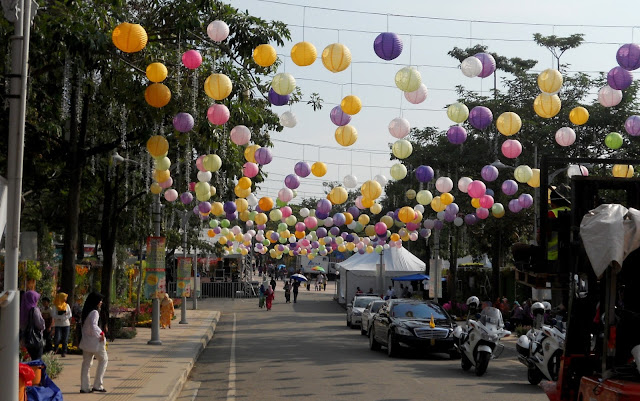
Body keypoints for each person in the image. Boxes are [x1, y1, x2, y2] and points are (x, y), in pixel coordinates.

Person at [79, 292, 108, 393]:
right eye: (100, 300)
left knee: (86, 364)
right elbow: (93, 325)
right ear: (95, 301)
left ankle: (84, 387)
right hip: (95, 341)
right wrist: (101, 334)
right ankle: (98, 385)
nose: (101, 302)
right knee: (104, 359)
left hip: (86, 341)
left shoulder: (86, 311)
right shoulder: (95, 312)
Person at [21, 290, 45, 361]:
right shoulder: (35, 310)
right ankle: (36, 372)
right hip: (36, 339)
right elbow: (41, 324)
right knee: (38, 360)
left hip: (27, 339)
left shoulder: (22, 310)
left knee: (33, 359)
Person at [52, 292, 72, 357]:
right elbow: (53, 315)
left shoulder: (67, 305)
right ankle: (55, 349)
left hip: (66, 324)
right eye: (64, 297)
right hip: (58, 324)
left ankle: (64, 352)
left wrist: (65, 317)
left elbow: (70, 314)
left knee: (65, 339)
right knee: (57, 338)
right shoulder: (55, 306)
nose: (65, 299)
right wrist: (60, 317)